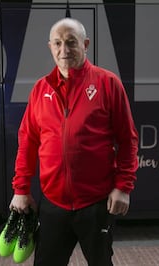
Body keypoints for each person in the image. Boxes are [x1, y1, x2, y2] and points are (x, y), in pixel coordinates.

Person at [9, 17, 139, 266]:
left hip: (96, 204)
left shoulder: (108, 84)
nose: (64, 50)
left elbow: (128, 140)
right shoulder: (40, 89)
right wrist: (21, 190)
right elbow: (27, 141)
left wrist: (123, 187)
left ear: (86, 44)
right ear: (50, 47)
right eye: (57, 43)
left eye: (71, 42)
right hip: (53, 204)